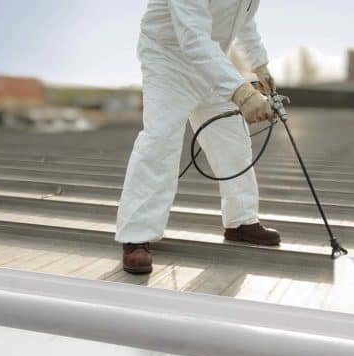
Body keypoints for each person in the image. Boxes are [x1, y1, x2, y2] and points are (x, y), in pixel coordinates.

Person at [115, 0, 281, 274]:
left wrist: (260, 64)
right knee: (160, 140)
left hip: (212, 59)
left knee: (232, 141)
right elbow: (191, 36)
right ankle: (136, 235)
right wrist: (241, 93)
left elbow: (245, 20)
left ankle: (240, 222)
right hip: (169, 59)